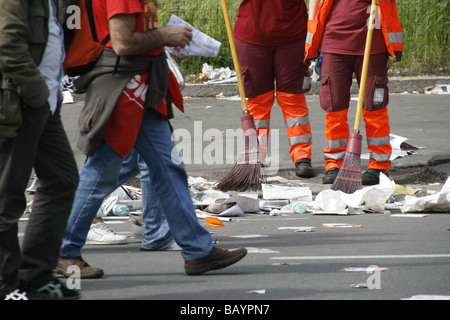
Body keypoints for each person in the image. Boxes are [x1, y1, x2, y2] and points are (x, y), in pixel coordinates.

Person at [57, 0, 247, 279]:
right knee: (101, 173)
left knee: (168, 168)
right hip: (125, 88)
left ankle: (198, 251)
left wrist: (164, 43)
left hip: (139, 85)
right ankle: (63, 250)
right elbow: (122, 42)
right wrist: (165, 36)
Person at [0, 0, 80, 300]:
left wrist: (49, 95)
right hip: (21, 102)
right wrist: (37, 93)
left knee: (62, 179)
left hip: (46, 102)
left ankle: (34, 274)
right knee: (7, 197)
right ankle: (7, 287)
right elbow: (7, 45)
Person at [306, 0, 404, 185]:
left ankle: (378, 165)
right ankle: (335, 162)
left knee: (374, 106)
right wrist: (311, 22)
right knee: (334, 106)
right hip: (333, 41)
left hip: (372, 42)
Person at [233, 0, 314, 178]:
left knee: (293, 98)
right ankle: (256, 156)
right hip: (252, 36)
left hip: (293, 35)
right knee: (258, 100)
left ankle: (302, 157)